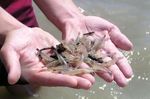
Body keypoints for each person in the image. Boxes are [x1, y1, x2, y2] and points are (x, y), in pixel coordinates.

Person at [0, 0, 133, 90]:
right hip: (23, 38)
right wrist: (10, 29)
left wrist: (71, 17)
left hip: (22, 26)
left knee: (26, 85)